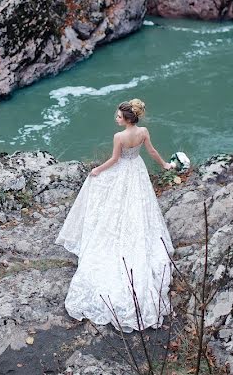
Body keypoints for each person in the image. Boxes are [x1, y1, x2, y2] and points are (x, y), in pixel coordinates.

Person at [55, 98, 177, 333]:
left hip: (123, 171)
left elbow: (114, 160)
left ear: (127, 118)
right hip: (137, 171)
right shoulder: (143, 131)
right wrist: (165, 165)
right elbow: (151, 151)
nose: (116, 118)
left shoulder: (119, 137)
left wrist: (97, 170)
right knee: (138, 207)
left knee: (115, 205)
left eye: (119, 116)